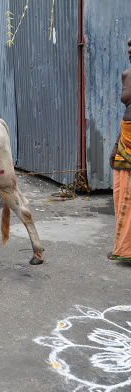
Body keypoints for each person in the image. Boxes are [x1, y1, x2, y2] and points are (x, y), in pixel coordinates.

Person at [109, 37, 131, 262]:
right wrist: (116, 145)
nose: (130, 50)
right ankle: (123, 247)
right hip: (126, 137)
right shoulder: (126, 74)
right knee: (121, 193)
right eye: (129, 46)